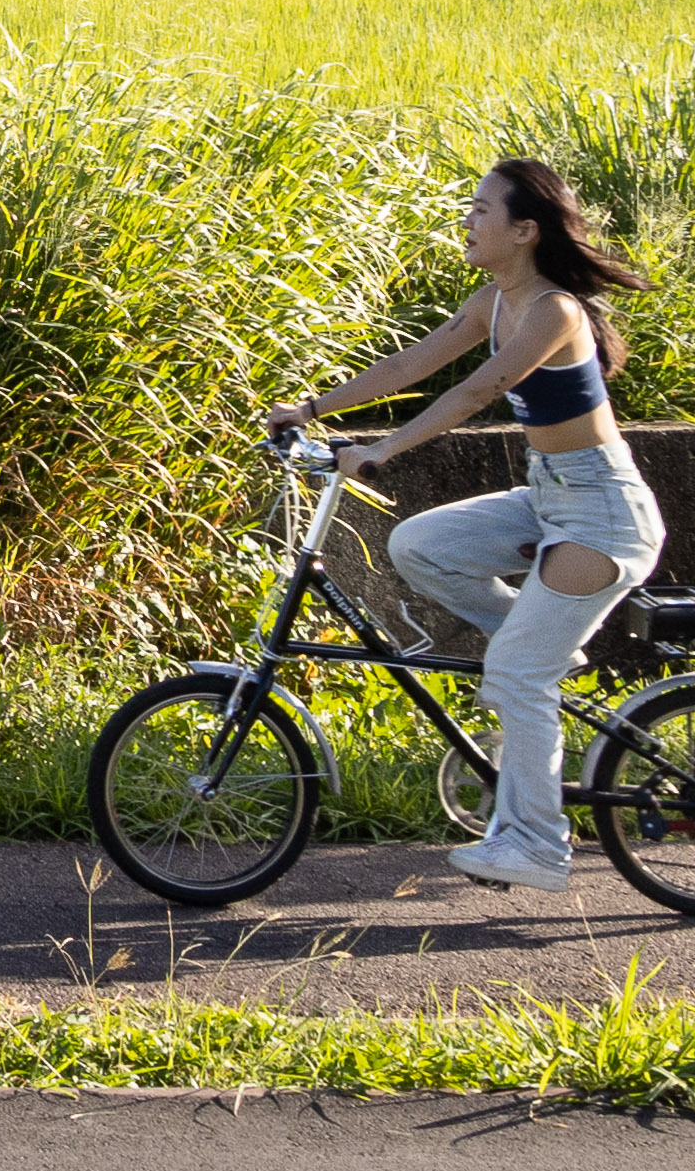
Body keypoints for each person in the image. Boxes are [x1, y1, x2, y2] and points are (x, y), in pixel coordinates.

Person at [282, 155, 667, 893]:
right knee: (420, 545)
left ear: (524, 231)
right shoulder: (495, 301)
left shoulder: (555, 311)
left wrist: (384, 449)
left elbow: (477, 391)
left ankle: (537, 846)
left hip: (602, 513)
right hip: (548, 495)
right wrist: (312, 411)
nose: (469, 220)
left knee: (517, 674)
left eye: (483, 211)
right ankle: (543, 645)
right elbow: (415, 363)